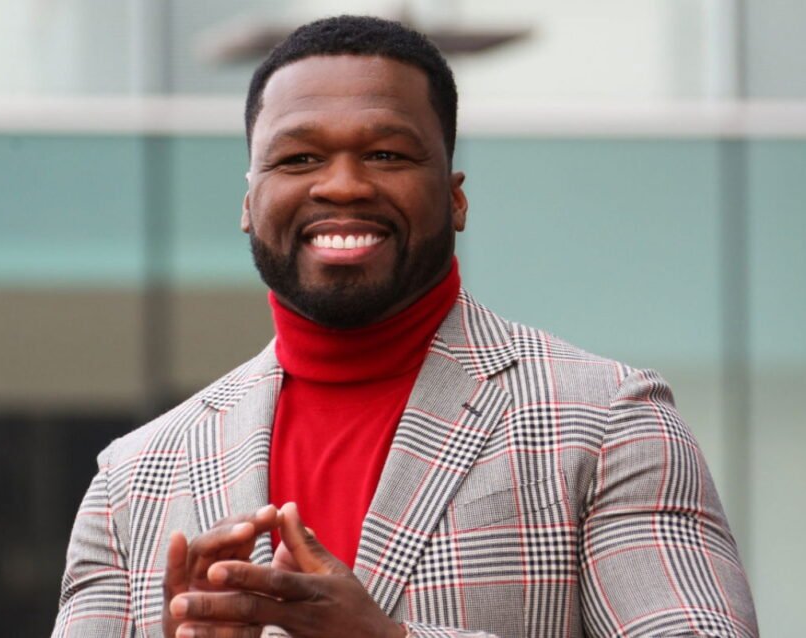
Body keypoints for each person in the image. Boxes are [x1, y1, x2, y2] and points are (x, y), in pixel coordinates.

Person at [53, 15, 757, 638]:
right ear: (248, 203)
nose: (343, 185)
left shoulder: (607, 422)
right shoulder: (133, 481)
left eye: (386, 154)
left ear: (455, 198)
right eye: (299, 158)